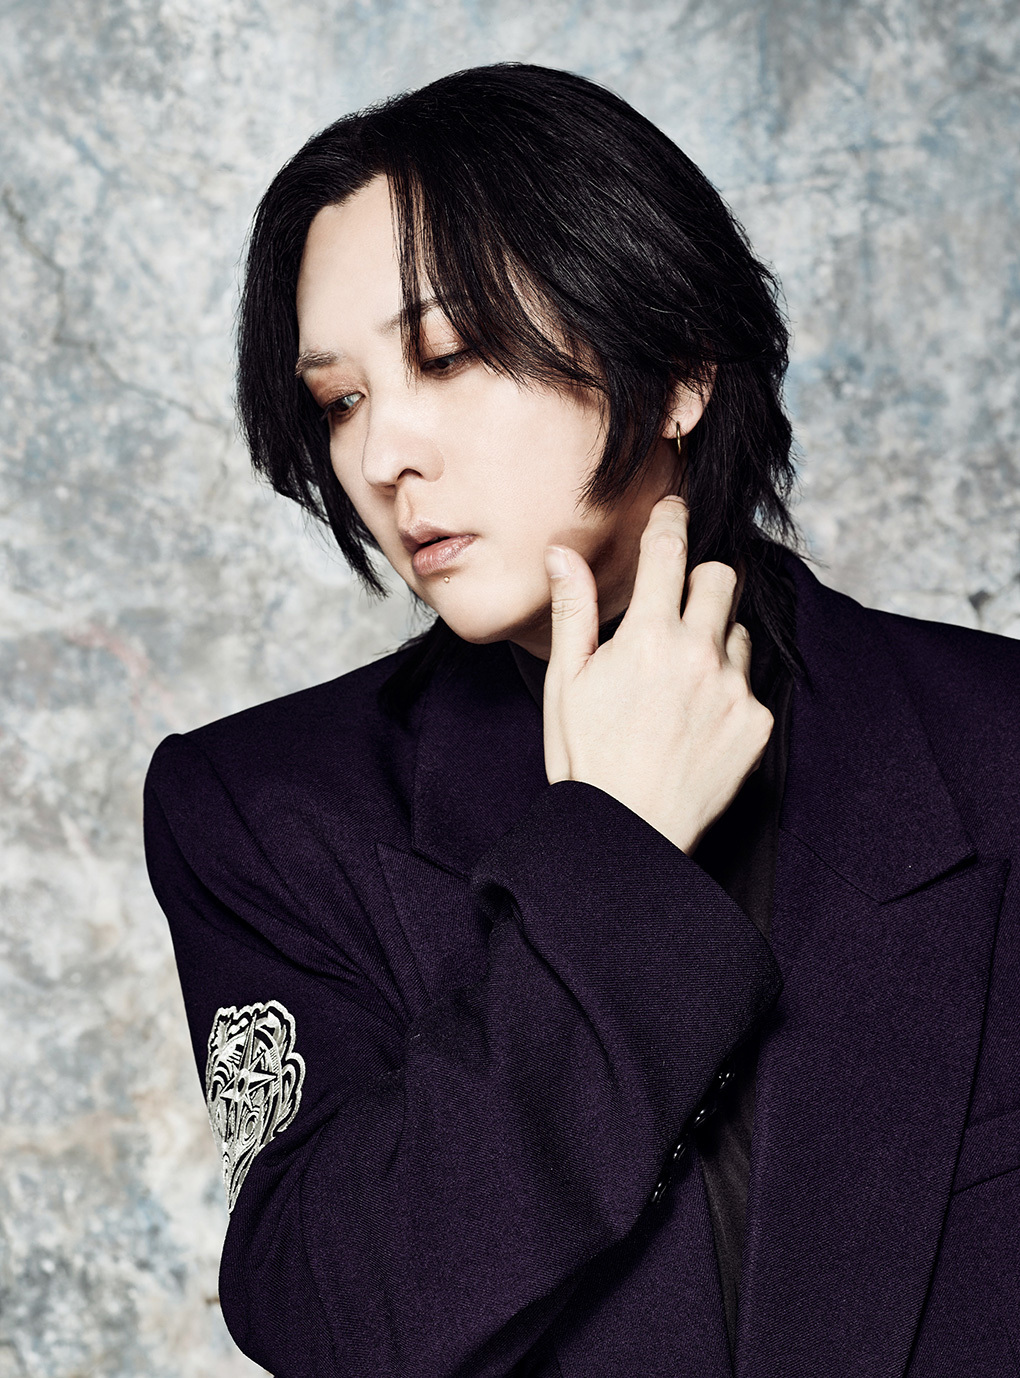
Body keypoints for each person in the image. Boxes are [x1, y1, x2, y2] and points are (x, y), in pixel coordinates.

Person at [143, 62, 1020, 1378]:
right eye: (341, 399)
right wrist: (612, 848)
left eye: (450, 355)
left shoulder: (994, 745)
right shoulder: (262, 809)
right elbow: (335, 1319)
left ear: (676, 368)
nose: (382, 456)